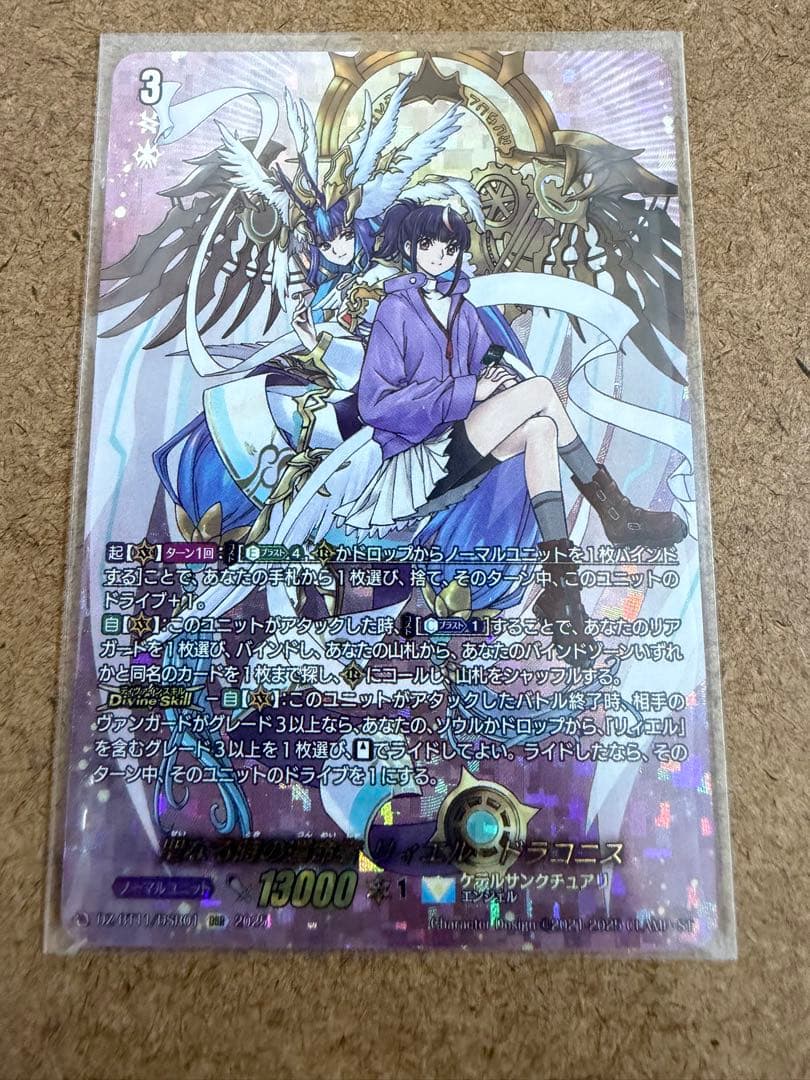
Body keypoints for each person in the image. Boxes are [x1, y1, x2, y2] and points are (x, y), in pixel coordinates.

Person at [336, 200, 688, 664]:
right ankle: (616, 512)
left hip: (458, 448)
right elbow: (376, 405)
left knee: (541, 428)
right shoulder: (395, 309)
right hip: (416, 461)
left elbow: (487, 367)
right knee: (542, 391)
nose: (439, 255)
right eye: (428, 244)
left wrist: (497, 385)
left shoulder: (463, 311)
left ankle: (562, 592)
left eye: (449, 247)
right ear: (411, 247)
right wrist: (471, 390)